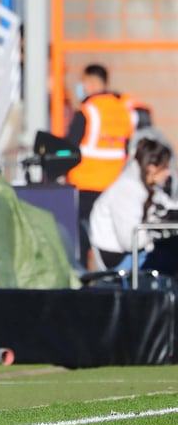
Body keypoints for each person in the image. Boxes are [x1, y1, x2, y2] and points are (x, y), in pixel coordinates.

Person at [66, 63, 133, 270]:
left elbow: (70, 146)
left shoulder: (88, 110)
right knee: (108, 237)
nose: (81, 87)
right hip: (113, 187)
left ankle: (82, 280)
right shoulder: (123, 110)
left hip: (85, 185)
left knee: (80, 239)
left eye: (83, 82)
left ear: (93, 83)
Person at [89, 138, 178, 273]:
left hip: (138, 252)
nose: (168, 173)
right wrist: (155, 232)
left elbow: (169, 206)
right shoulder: (127, 190)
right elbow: (130, 240)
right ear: (151, 167)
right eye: (165, 168)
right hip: (120, 260)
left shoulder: (147, 187)